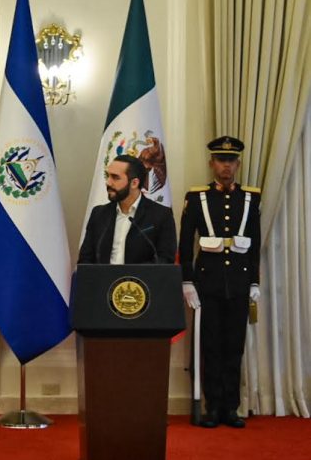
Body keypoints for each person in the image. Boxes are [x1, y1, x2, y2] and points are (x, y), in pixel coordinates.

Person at [179, 136, 260, 429]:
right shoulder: (197, 198)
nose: (226, 166)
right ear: (211, 163)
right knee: (210, 346)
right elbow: (185, 242)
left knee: (234, 346)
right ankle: (212, 407)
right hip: (207, 283)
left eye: (231, 161)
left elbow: (254, 243)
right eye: (221, 160)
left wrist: (254, 282)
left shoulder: (250, 198)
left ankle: (230, 408)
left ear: (238, 164)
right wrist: (187, 280)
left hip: (238, 282)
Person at [78, 154, 177, 264]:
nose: (108, 182)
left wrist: (130, 273)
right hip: (103, 275)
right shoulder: (98, 214)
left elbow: (165, 260)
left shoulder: (161, 215)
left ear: (134, 183)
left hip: (140, 276)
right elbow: (85, 259)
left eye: (115, 177)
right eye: (108, 176)